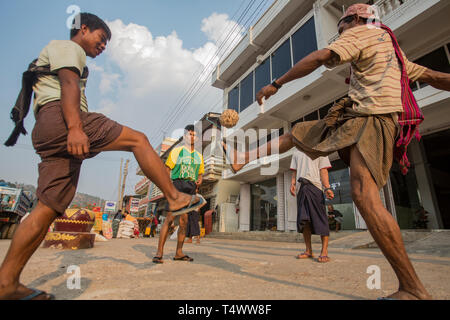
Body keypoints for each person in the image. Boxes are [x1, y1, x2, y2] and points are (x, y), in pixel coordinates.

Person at [223, 3, 450, 300]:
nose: (339, 33)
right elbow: (432, 75)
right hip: (355, 116)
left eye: (341, 26)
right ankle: (243, 159)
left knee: (364, 195)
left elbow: (321, 57)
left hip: (373, 121)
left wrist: (275, 84)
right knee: (298, 134)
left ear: (354, 19)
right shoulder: (391, 49)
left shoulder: (365, 32)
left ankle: (413, 289)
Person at [0, 13, 205, 301]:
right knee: (139, 140)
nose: (103, 45)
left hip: (47, 126)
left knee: (46, 208)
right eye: (101, 38)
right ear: (83, 29)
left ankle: (6, 283)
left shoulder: (55, 55)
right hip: (62, 119)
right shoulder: (68, 48)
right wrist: (74, 127)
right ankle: (174, 197)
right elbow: (69, 83)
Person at [153, 125, 205, 263]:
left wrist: (200, 179)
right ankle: (159, 252)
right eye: (189, 134)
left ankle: (179, 253)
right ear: (184, 136)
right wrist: (167, 188)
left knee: (184, 221)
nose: (191, 137)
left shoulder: (199, 156)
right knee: (169, 218)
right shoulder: (177, 151)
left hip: (191, 188)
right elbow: (167, 170)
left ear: (197, 138)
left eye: (194, 135)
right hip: (177, 185)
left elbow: (200, 174)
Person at [290, 150, 334, 263]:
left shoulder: (320, 149)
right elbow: (294, 171)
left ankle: (324, 251)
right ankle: (308, 250)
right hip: (301, 189)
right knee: (304, 221)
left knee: (320, 218)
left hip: (315, 188)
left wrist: (327, 187)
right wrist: (293, 183)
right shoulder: (296, 152)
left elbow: (323, 170)